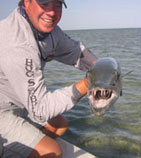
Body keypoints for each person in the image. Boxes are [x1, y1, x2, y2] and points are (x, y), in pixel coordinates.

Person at [0, 0, 97, 157]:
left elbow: (75, 51)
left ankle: (24, 147)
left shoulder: (47, 30)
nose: (52, 12)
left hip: (21, 104)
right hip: (2, 111)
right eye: (44, 3)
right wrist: (89, 82)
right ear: (26, 2)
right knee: (52, 151)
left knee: (59, 125)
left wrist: (100, 66)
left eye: (57, 4)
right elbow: (40, 111)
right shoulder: (17, 43)